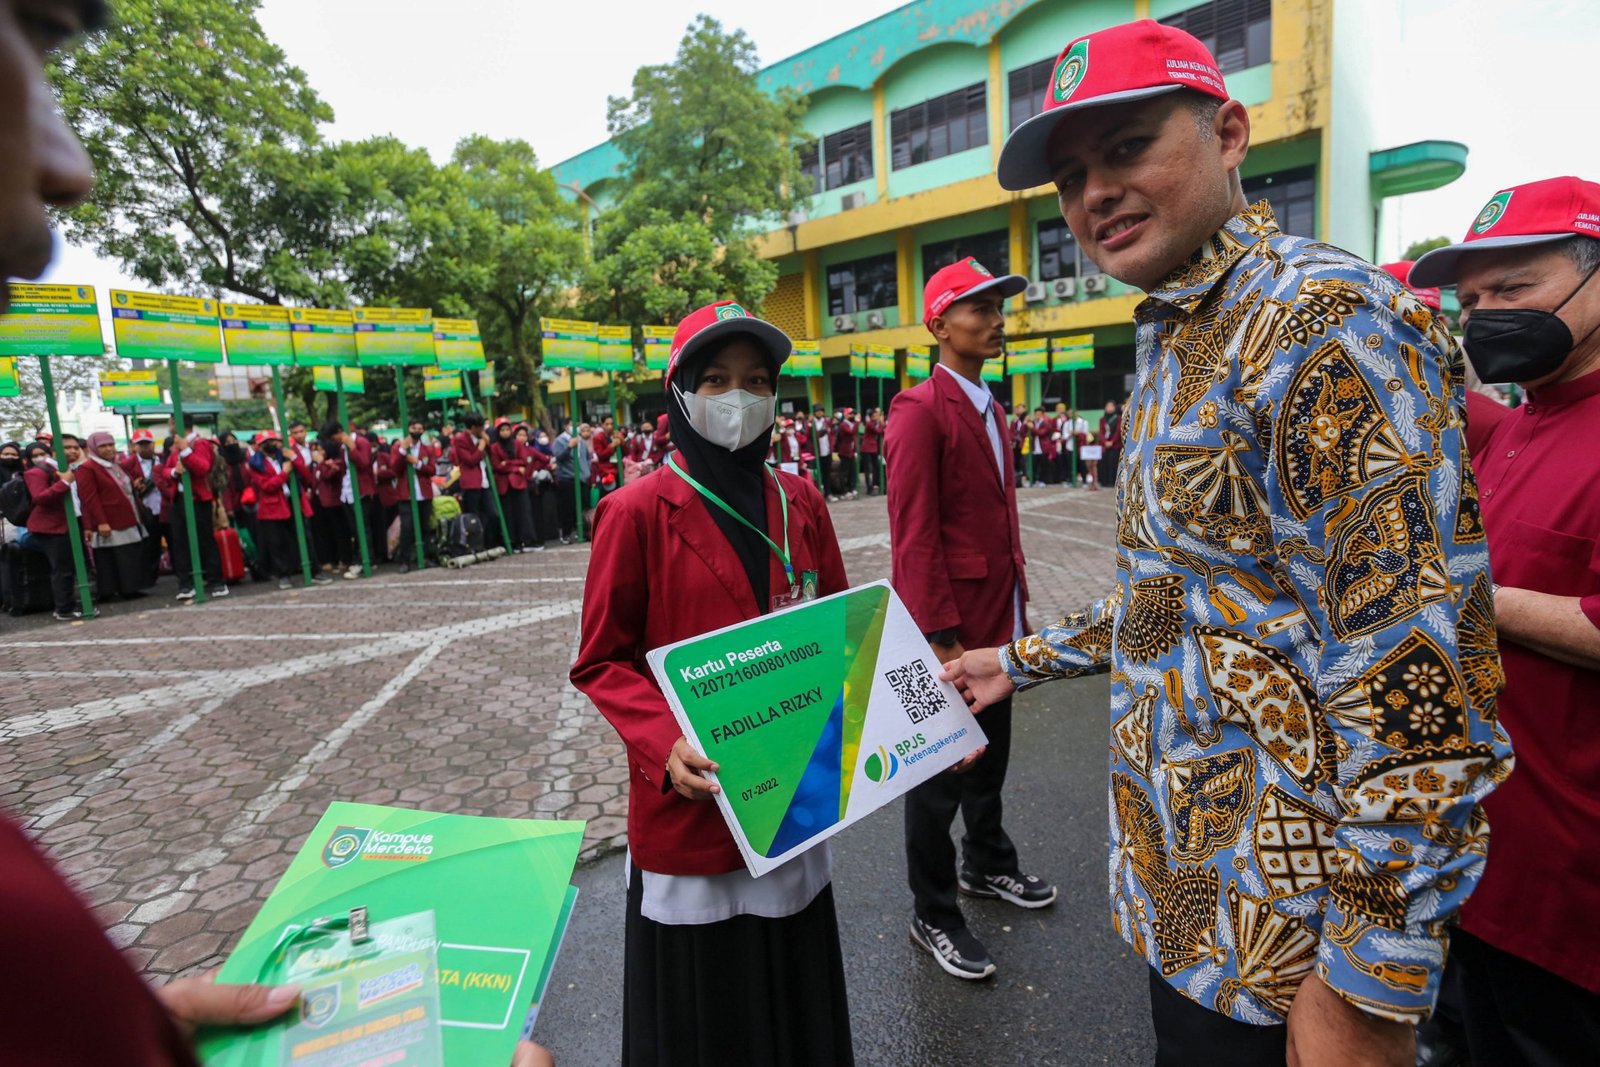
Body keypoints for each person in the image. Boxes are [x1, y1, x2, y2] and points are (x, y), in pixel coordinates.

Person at [943, 19, 1512, 1064]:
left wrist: (1368, 982)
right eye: (1070, 176)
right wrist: (1014, 659)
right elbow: (1192, 595)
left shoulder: (1316, 320)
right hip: (1192, 902)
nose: (1092, 195)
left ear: (1230, 133)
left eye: (1125, 149)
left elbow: (1414, 682)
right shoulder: (1176, 333)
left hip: (1290, 943)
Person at [572, 300, 853, 1066]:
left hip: (790, 793)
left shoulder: (801, 503)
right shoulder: (632, 512)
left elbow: (838, 631)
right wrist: (665, 746)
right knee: (706, 1017)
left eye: (757, 380)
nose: (739, 399)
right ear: (681, 392)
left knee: (793, 993)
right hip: (696, 808)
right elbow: (601, 659)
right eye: (718, 379)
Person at [1407, 176, 1600, 1065]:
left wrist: (1468, 595)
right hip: (1475, 864)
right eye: (1472, 299)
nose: (1484, 316)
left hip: (1565, 906)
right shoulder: (1521, 424)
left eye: (1513, 289)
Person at [885, 257, 1051, 982]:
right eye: (977, 307)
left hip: (996, 624)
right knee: (937, 779)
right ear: (938, 324)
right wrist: (942, 640)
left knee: (992, 762)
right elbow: (913, 536)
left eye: (998, 307)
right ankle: (933, 910)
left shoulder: (991, 405)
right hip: (949, 635)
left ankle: (987, 863)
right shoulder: (919, 410)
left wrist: (1014, 611)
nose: (994, 319)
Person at [74, 430, 147, 601]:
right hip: (109, 519)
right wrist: (100, 522)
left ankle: (130, 588)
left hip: (127, 516)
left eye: (111, 444)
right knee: (112, 557)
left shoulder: (114, 465)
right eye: (103, 446)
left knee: (128, 555)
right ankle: (113, 591)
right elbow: (89, 498)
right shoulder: (87, 468)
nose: (108, 449)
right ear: (93, 448)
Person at [163, 415, 226, 600]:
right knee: (180, 543)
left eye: (171, 424)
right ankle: (185, 584)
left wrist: (185, 452)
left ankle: (216, 581)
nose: (169, 427)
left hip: (198, 500)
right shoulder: (175, 448)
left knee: (205, 540)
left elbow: (202, 468)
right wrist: (174, 471)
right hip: (179, 499)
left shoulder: (201, 444)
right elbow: (165, 470)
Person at [21, 441, 80, 620]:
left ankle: (68, 603)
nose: (72, 451)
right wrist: (64, 483)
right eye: (67, 448)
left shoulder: (67, 470)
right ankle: (63, 608)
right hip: (50, 527)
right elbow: (41, 498)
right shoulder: (37, 472)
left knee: (68, 567)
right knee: (61, 568)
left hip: (66, 524)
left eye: (75, 448)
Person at [121, 428, 167, 587]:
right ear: (135, 447)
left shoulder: (163, 459)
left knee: (175, 540)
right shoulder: (128, 464)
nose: (145, 447)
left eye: (147, 444)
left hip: (165, 506)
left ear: (153, 444)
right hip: (145, 509)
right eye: (141, 444)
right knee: (150, 545)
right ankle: (150, 578)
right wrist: (135, 487)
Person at [392, 418, 439, 572]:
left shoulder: (428, 449)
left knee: (425, 526)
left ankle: (425, 557)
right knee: (407, 527)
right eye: (413, 428)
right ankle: (405, 560)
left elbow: (432, 470)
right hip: (406, 495)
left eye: (420, 428)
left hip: (424, 493)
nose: (416, 431)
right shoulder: (399, 448)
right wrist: (402, 452)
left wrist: (417, 463)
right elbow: (395, 469)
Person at [452, 411, 496, 545]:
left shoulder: (483, 437)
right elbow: (470, 460)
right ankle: (476, 545)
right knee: (473, 516)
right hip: (471, 483)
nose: (482, 430)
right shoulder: (461, 440)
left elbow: (491, 455)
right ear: (472, 428)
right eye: (479, 427)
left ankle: (488, 542)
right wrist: (481, 446)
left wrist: (487, 443)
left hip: (484, 482)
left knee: (492, 513)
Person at [491, 419, 534, 552]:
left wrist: (507, 464)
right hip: (504, 487)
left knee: (522, 513)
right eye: (502, 430)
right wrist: (515, 467)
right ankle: (511, 541)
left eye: (507, 429)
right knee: (508, 514)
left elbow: (524, 461)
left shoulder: (517, 444)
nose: (505, 433)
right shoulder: (494, 447)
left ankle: (524, 541)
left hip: (519, 484)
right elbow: (497, 465)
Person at [552, 420, 577, 544]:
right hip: (565, 478)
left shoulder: (578, 439)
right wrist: (569, 447)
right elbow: (558, 457)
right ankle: (566, 533)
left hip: (578, 477)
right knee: (566, 507)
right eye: (572, 424)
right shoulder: (559, 441)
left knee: (576, 507)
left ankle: (576, 531)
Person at [1096, 399, 1121, 487]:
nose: (1109, 408)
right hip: (1104, 445)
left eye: (1111, 406)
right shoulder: (1102, 419)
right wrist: (1105, 442)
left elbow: (1118, 431)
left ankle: (1112, 482)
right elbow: (1101, 432)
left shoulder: (1118, 418)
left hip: (1115, 445)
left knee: (1113, 463)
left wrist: (1112, 442)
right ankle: (1104, 481)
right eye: (1108, 406)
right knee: (1103, 463)